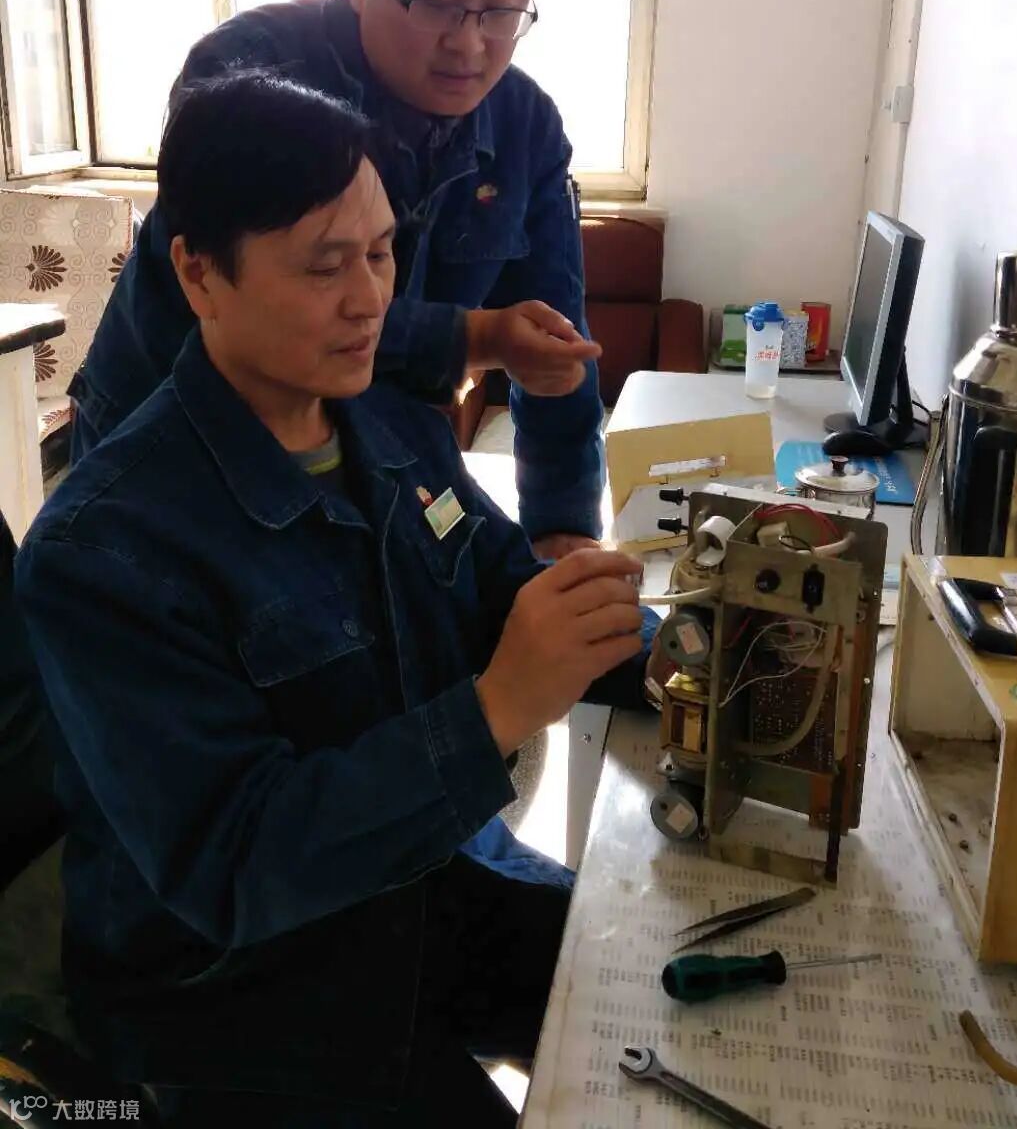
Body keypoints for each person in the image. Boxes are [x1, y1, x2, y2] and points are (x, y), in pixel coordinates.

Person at [16, 73, 649, 1127]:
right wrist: (496, 709)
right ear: (200, 274)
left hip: (427, 889)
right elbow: (235, 864)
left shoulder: (389, 426)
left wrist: (698, 659)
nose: (370, 300)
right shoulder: (105, 552)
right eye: (324, 265)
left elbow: (509, 587)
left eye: (382, 252)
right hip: (243, 1002)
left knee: (664, 999)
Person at [70, 0, 604, 562]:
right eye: (436, 3)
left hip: (371, 450)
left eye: (502, 10)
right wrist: (474, 338)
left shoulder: (526, 126)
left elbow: (557, 341)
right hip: (180, 446)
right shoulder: (247, 77)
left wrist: (563, 527)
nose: (469, 42)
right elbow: (271, 309)